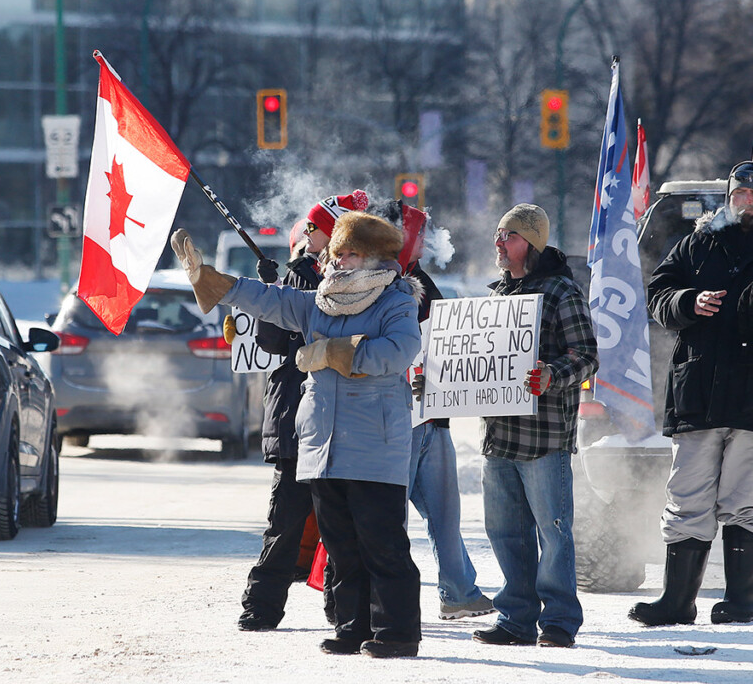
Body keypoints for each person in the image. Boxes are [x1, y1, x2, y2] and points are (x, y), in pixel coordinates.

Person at [171, 209, 423, 659]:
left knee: (382, 545)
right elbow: (267, 299)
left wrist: (334, 352)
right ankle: (352, 627)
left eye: (349, 253)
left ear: (373, 258)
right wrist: (213, 280)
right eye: (337, 252)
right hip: (322, 445)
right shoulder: (319, 299)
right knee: (342, 547)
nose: (338, 260)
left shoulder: (396, 298)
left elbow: (401, 350)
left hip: (374, 444)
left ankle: (397, 632)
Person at [629, 161, 753, 627]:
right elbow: (657, 296)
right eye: (739, 193)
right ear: (728, 197)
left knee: (748, 503)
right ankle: (675, 602)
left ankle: (742, 603)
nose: (747, 201)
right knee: (686, 501)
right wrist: (688, 301)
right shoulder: (696, 245)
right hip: (698, 395)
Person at [417, 204, 598, 648]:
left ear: (531, 243)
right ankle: (516, 618)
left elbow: (587, 354)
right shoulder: (495, 297)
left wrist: (552, 374)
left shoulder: (560, 292)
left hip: (545, 438)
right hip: (499, 438)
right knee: (506, 534)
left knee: (552, 533)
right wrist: (437, 378)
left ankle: (558, 620)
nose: (499, 242)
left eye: (509, 236)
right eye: (498, 234)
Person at [375, 199, 495, 621]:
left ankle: (459, 592)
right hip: (401, 418)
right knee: (390, 518)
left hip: (432, 417)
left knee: (446, 514)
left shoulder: (418, 278)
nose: (426, 240)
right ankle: (386, 603)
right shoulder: (379, 281)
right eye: (419, 231)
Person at [235, 216, 325, 631]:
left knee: (342, 526)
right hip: (294, 416)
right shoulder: (294, 277)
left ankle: (347, 612)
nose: (309, 238)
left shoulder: (360, 277)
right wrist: (273, 293)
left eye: (318, 230)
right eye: (306, 231)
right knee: (284, 522)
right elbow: (269, 341)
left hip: (339, 419)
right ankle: (261, 607)